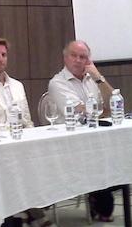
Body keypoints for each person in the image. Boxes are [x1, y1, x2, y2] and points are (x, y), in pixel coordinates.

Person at [0, 38, 56, 227]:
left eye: (3, 55)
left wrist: (32, 139)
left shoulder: (17, 85)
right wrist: (5, 139)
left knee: (45, 157)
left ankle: (31, 211)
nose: (0, 59)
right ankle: (28, 214)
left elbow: (27, 121)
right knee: (15, 165)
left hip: (21, 146)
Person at [48, 40, 116, 222]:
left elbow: (115, 102)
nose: (78, 60)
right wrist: (103, 112)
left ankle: (101, 195)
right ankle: (98, 196)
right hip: (71, 143)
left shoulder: (92, 80)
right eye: (74, 55)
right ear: (65, 58)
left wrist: (99, 77)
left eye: (83, 57)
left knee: (122, 151)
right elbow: (81, 111)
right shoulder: (57, 83)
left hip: (96, 137)